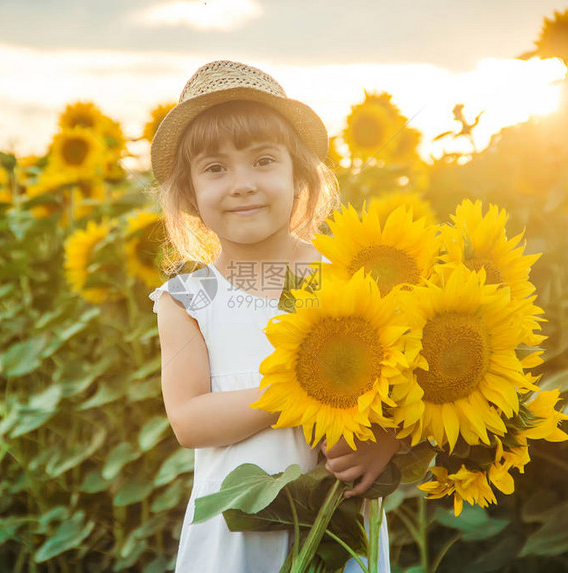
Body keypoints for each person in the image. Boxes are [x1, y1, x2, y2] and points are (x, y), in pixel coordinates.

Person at [147, 60, 401, 572]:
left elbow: (393, 389)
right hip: (234, 536)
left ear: (299, 176)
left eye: (263, 161)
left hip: (337, 526)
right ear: (191, 194)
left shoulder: (326, 277)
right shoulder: (190, 298)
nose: (241, 184)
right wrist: (298, 389)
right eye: (215, 168)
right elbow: (189, 419)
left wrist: (386, 445)